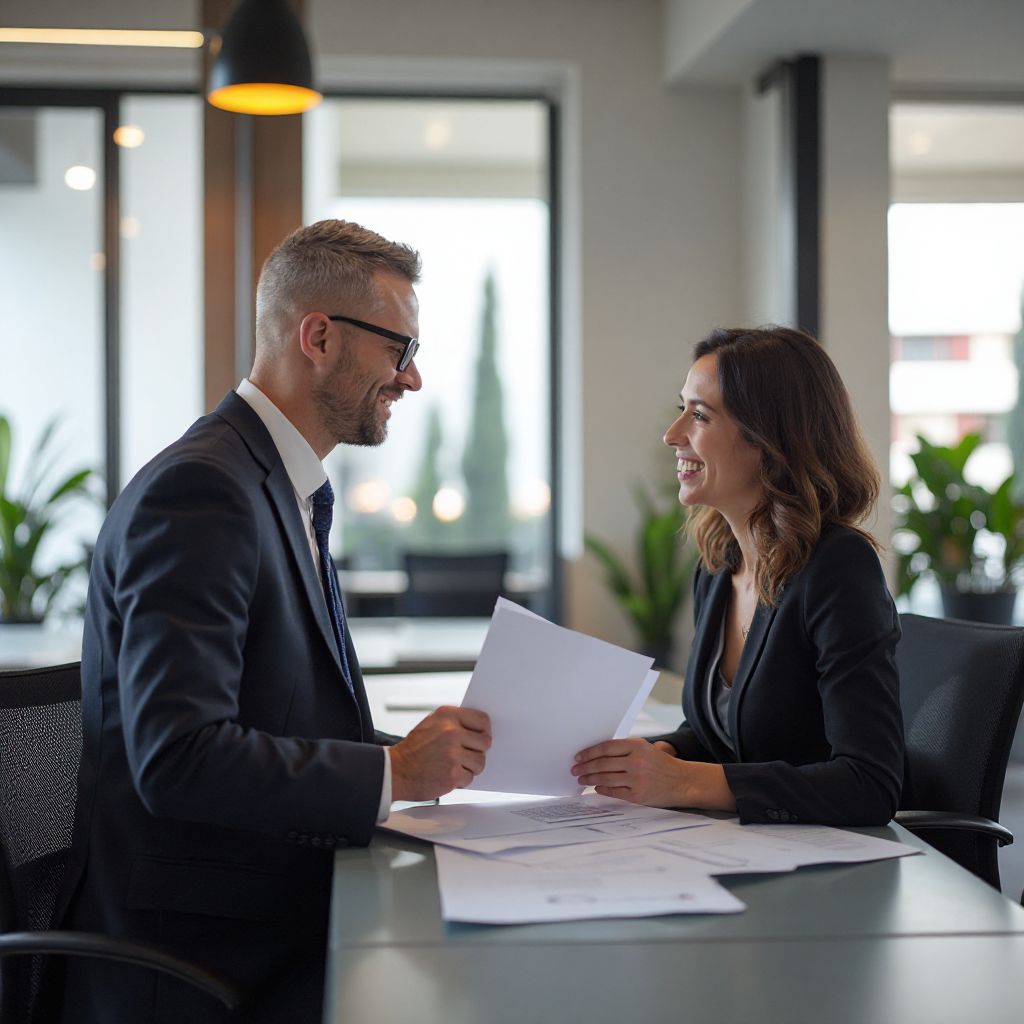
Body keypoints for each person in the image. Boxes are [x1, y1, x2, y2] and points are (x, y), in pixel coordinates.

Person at [52, 220, 491, 1023]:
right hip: (197, 957)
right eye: (400, 349)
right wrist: (394, 779)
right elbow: (179, 757)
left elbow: (276, 715)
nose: (413, 377)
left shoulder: (273, 488)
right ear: (319, 336)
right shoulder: (202, 495)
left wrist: (421, 760)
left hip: (266, 909)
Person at [572, 326, 904, 827]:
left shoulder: (838, 567)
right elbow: (720, 737)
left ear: (769, 438)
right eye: (681, 408)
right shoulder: (720, 562)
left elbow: (868, 784)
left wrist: (683, 781)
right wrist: (655, 755)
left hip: (826, 876)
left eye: (699, 415)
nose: (673, 434)